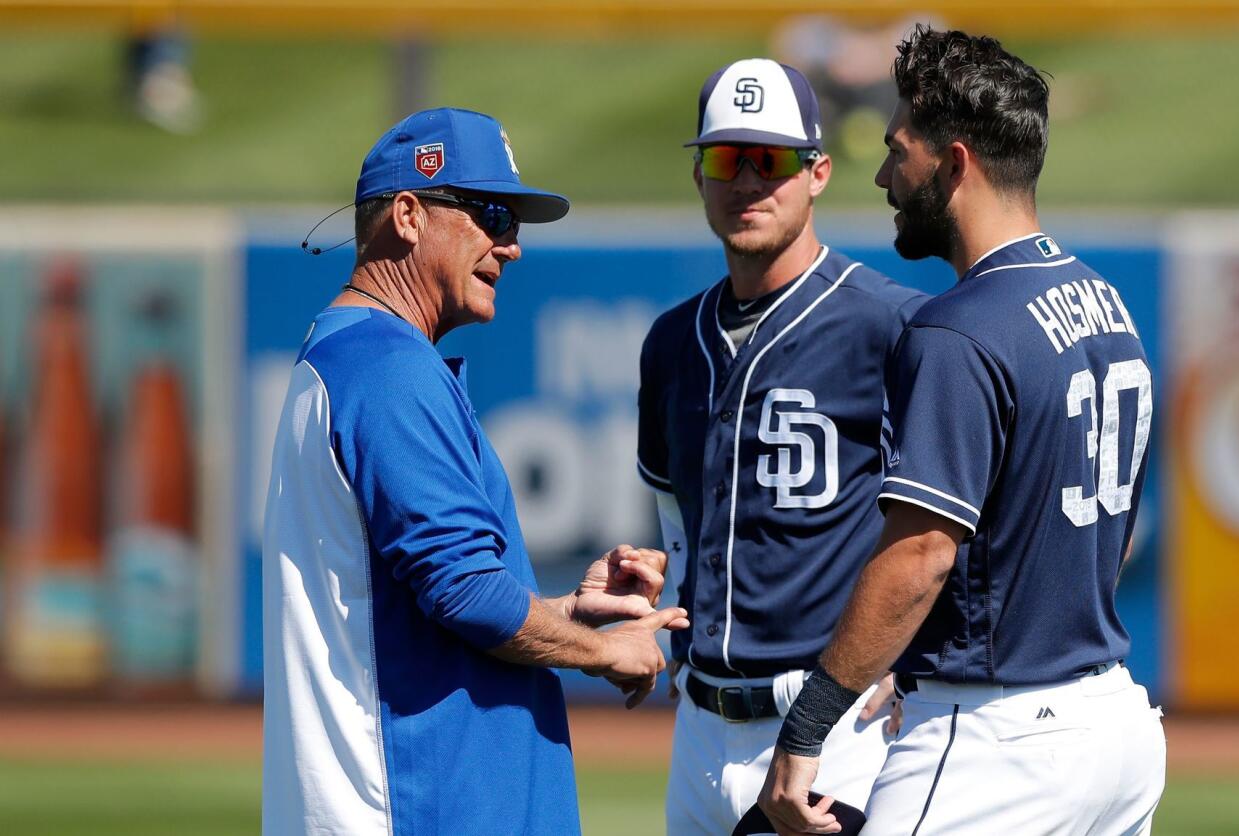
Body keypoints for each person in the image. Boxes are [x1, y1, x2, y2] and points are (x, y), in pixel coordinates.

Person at [759, 26, 1166, 835]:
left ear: (953, 162)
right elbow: (1113, 535)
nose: (882, 174)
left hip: (995, 745)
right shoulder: (1107, 305)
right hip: (1117, 729)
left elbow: (919, 557)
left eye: (896, 149)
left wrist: (808, 727)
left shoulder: (957, 329)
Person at [261, 107, 686, 836]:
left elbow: (422, 605)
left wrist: (563, 615)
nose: (511, 246)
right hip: (415, 806)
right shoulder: (387, 368)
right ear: (408, 215)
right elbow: (463, 592)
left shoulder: (347, 357)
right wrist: (602, 648)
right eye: (491, 214)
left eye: (514, 224)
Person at [635, 59, 926, 834]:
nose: (750, 182)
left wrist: (928, 646)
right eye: (729, 159)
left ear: (818, 173)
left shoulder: (890, 324)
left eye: (775, 160)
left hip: (829, 726)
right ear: (700, 174)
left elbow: (977, 495)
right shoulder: (671, 342)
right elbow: (670, 501)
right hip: (698, 729)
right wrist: (667, 597)